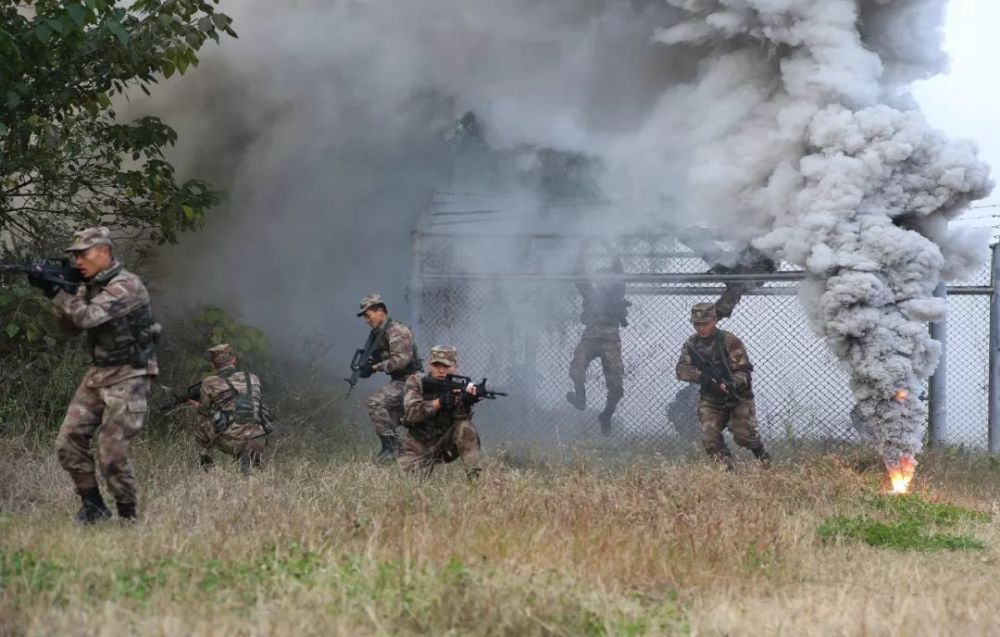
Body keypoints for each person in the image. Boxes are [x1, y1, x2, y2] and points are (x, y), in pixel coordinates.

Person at [50, 227, 160, 523]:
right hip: (99, 373)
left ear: (105, 252)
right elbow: (69, 328)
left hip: (130, 375)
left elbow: (87, 318)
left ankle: (128, 516)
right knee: (68, 441)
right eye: (74, 257)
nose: (78, 262)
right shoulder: (90, 286)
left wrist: (58, 292)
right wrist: (65, 292)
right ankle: (93, 506)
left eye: (84, 255)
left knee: (111, 452)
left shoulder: (127, 286)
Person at [675, 302, 770, 469]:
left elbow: (744, 371)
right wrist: (703, 377)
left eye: (704, 324)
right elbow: (681, 370)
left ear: (714, 321)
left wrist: (732, 383)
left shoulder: (730, 341)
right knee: (710, 437)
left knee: (743, 435)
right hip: (711, 398)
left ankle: (762, 456)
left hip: (737, 396)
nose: (701, 328)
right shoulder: (691, 345)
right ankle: (728, 470)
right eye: (697, 324)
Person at [566, 245, 630, 435]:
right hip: (590, 338)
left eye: (607, 277)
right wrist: (582, 250)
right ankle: (580, 398)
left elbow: (618, 270)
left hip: (610, 341)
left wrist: (610, 246)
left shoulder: (617, 291)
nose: (603, 281)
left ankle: (606, 416)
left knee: (616, 387)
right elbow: (578, 274)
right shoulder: (591, 293)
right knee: (576, 368)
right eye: (601, 277)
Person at [356, 293, 422, 463]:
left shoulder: (396, 331)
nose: (366, 320)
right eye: (364, 316)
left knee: (375, 402)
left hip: (410, 381)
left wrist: (374, 367)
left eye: (368, 314)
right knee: (390, 419)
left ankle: (391, 448)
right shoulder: (381, 333)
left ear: (380, 311)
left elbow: (400, 361)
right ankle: (402, 452)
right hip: (400, 381)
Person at [399, 346, 482, 478]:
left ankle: (474, 477)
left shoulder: (461, 387)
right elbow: (411, 414)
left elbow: (460, 420)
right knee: (408, 486)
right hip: (418, 445)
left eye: (446, 366)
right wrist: (439, 402)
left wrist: (466, 402)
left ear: (455, 367)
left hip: (445, 443)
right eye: (436, 365)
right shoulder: (417, 382)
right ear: (429, 366)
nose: (441, 370)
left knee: (465, 427)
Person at [190, 343, 273, 474]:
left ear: (212, 365)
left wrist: (198, 406)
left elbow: (206, 409)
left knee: (203, 415)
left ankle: (206, 460)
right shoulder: (252, 377)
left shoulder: (209, 382)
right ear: (234, 361)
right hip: (259, 439)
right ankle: (250, 458)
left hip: (231, 442)